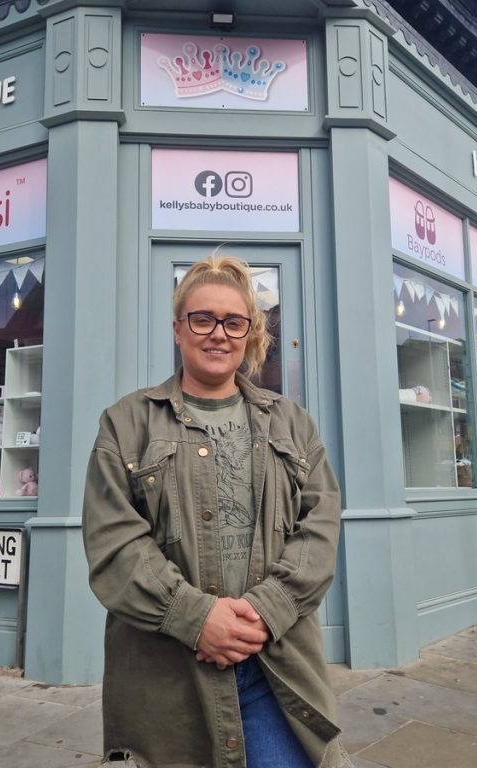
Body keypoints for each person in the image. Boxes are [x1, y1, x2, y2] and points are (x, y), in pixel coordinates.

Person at [82, 255, 351, 768]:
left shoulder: (293, 423)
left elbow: (320, 529)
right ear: (178, 328)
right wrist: (197, 618)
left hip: (276, 669)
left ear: (250, 334)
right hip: (168, 679)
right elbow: (113, 545)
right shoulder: (125, 423)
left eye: (234, 322)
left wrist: (265, 611)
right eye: (202, 319)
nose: (218, 334)